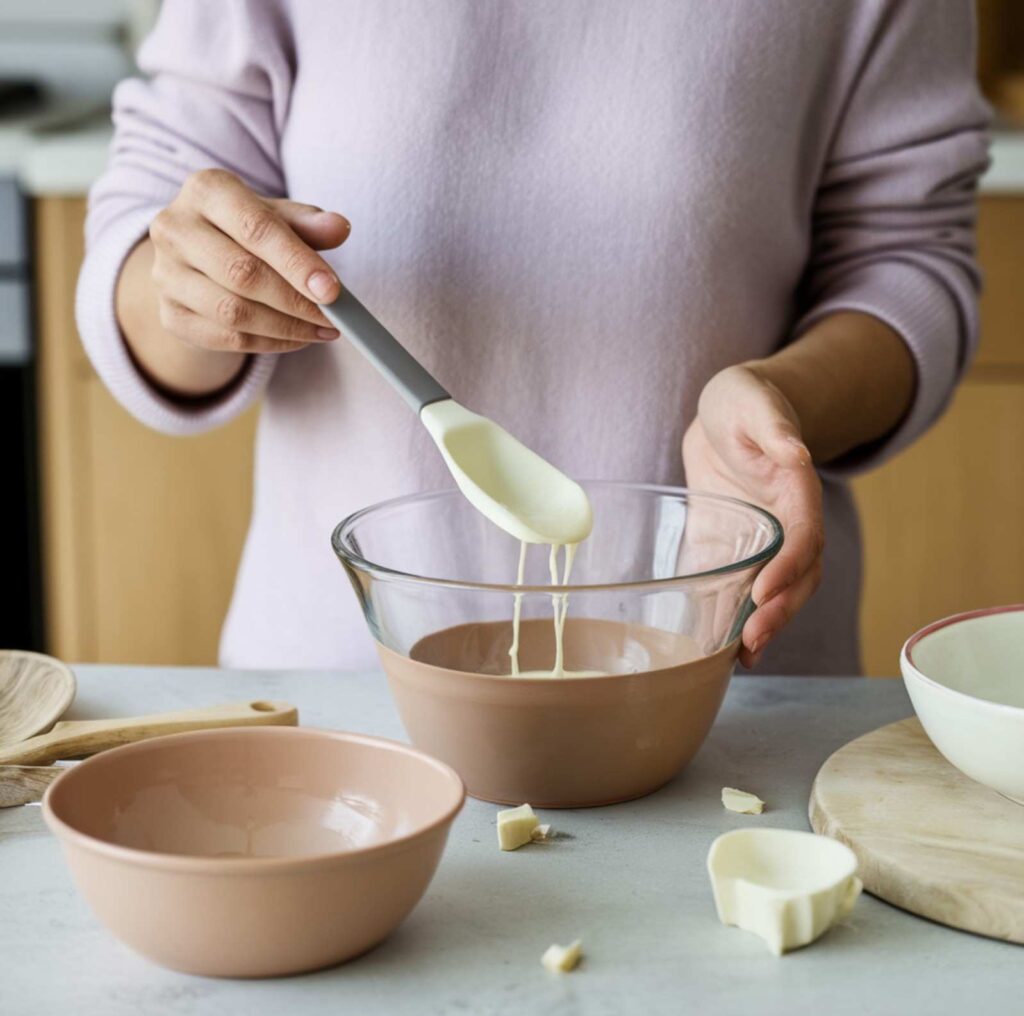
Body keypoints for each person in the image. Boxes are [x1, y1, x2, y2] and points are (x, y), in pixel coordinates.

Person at [77, 1, 990, 673]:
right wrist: (194, 289)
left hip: (725, 692)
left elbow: (910, 262)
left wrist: (785, 401)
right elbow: (156, 215)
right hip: (343, 699)